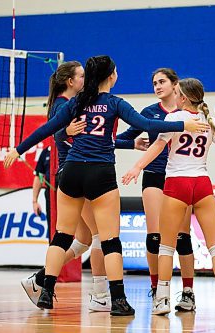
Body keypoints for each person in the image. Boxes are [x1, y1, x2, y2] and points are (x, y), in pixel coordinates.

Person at [4, 55, 210, 316]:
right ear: (111, 76)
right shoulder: (115, 103)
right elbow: (146, 125)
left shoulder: (77, 102)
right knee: (110, 240)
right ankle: (119, 300)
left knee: (62, 236)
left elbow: (49, 129)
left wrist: (18, 149)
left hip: (72, 171)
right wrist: (184, 123)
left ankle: (46, 290)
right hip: (100, 173)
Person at [21, 60, 148, 312]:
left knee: (83, 240)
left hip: (74, 173)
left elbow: (99, 137)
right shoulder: (67, 104)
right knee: (102, 237)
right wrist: (64, 131)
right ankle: (101, 294)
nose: (84, 80)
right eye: (80, 76)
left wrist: (130, 144)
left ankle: (40, 280)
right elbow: (54, 132)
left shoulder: (83, 103)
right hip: (79, 171)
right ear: (70, 81)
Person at [122, 78, 215, 317]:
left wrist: (137, 167)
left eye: (178, 93)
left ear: (185, 98)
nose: (175, 97)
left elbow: (157, 147)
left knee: (167, 247)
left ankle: (163, 300)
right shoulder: (210, 121)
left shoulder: (174, 119)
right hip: (201, 183)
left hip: (177, 184)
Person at [116, 68, 196, 311]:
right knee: (155, 235)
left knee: (182, 237)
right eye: (154, 83)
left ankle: (188, 292)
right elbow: (123, 137)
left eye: (162, 82)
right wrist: (132, 144)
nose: (157, 86)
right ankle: (156, 289)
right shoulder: (149, 113)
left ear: (175, 85)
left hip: (183, 175)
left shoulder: (189, 113)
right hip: (154, 175)